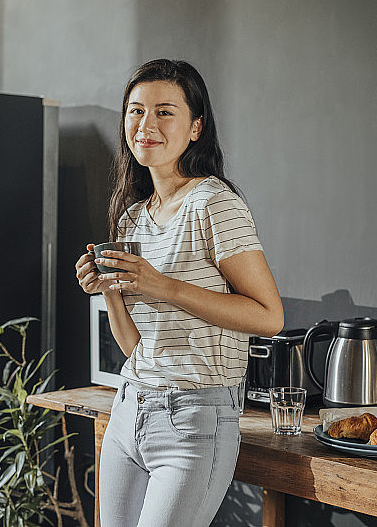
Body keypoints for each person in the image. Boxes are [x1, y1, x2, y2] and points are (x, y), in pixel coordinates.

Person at [74, 59, 284, 527]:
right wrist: (108, 290)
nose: (145, 125)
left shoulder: (214, 203)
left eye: (164, 112)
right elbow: (135, 346)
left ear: (196, 128)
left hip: (194, 419)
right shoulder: (133, 217)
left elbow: (269, 316)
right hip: (129, 407)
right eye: (136, 111)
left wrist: (161, 285)